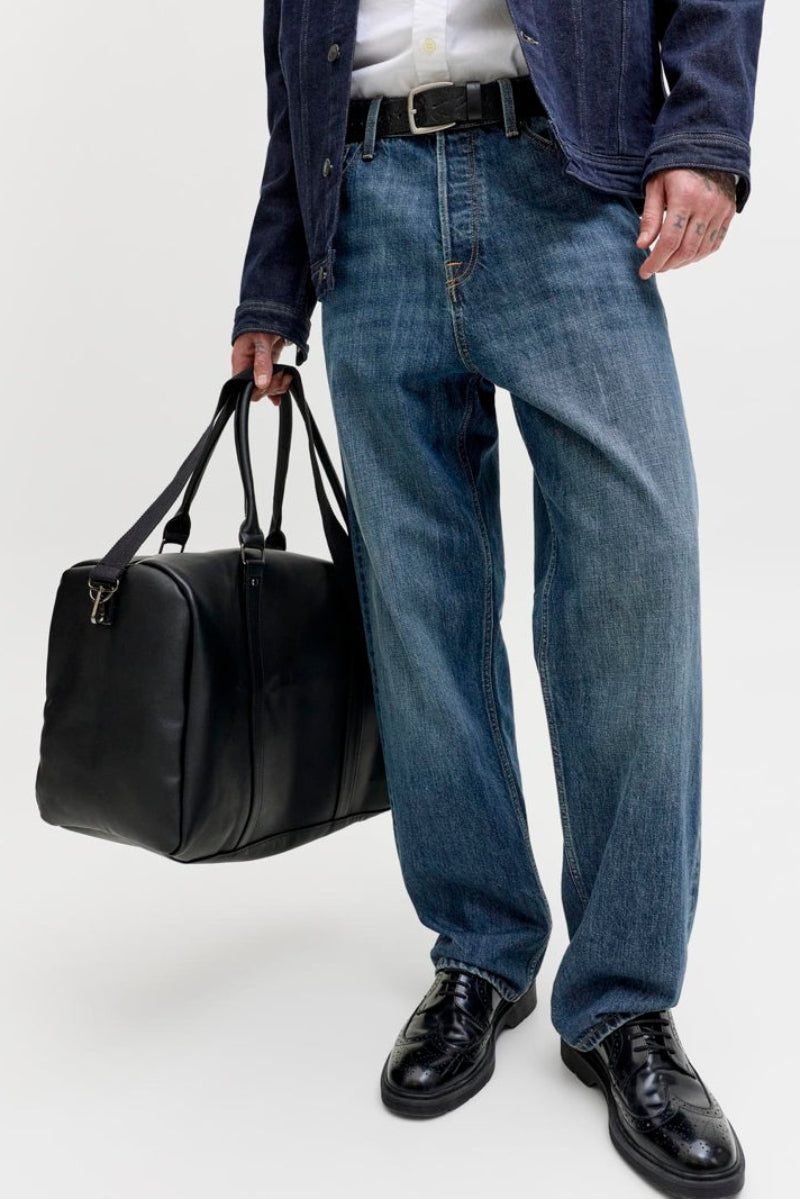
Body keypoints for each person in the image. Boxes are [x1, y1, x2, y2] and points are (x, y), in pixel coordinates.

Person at [230, 3, 764, 1195]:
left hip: (564, 181)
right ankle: (478, 948)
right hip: (363, 203)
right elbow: (292, 60)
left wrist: (704, 133)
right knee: (420, 617)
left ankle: (623, 1001)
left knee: (630, 596)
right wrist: (272, 284)